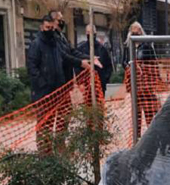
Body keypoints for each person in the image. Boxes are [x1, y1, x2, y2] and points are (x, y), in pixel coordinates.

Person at [27, 15, 85, 153]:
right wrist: (43, 85)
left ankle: (59, 148)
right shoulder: (36, 44)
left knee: (61, 120)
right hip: (44, 93)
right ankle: (45, 154)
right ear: (42, 27)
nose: (50, 30)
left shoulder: (56, 43)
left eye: (52, 28)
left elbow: (66, 56)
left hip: (59, 90)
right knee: (44, 125)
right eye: (47, 28)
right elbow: (32, 67)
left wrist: (82, 62)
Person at [122, 22, 160, 131]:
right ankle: (136, 136)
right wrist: (130, 67)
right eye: (133, 30)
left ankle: (152, 133)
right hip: (134, 85)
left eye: (138, 30)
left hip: (146, 85)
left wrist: (144, 69)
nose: (135, 33)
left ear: (141, 31)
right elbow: (123, 62)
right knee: (136, 113)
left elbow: (154, 63)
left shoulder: (147, 46)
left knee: (149, 112)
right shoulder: (127, 46)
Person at [50, 10, 92, 83]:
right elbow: (64, 56)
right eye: (60, 19)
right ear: (53, 21)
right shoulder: (52, 37)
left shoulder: (62, 36)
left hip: (67, 78)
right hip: (58, 78)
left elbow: (72, 51)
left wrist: (89, 57)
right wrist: (80, 63)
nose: (62, 21)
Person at [77, 24, 114, 96]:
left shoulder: (102, 49)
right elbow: (77, 66)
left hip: (100, 83)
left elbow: (108, 66)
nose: (90, 34)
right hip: (86, 84)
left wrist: (104, 79)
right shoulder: (81, 49)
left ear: (95, 33)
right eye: (88, 32)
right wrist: (80, 82)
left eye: (92, 32)